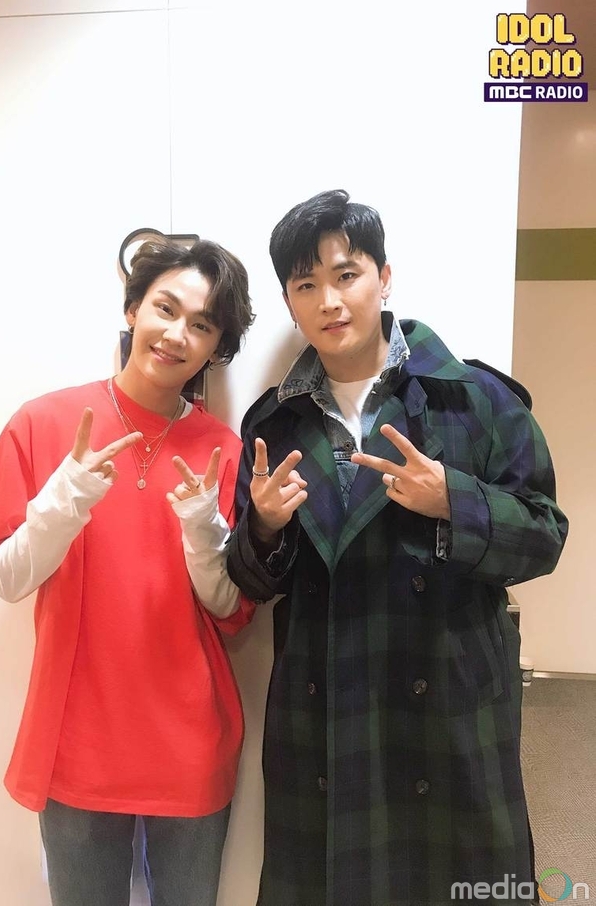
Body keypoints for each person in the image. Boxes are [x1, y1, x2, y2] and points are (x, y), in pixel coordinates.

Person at [226, 189, 568, 906]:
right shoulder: (274, 424)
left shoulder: (474, 400)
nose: (329, 300)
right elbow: (251, 582)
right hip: (325, 712)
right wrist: (262, 529)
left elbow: (545, 536)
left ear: (384, 278)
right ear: (289, 302)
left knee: (452, 875)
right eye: (306, 285)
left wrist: (455, 500)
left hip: (445, 700)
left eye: (346, 275)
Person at [0, 236, 255, 906]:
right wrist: (65, 499)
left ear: (217, 348)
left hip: (190, 741)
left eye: (202, 325)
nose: (176, 335)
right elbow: (7, 580)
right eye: (165, 308)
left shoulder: (222, 450)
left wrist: (202, 526)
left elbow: (230, 608)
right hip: (76, 743)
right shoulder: (45, 422)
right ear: (132, 308)